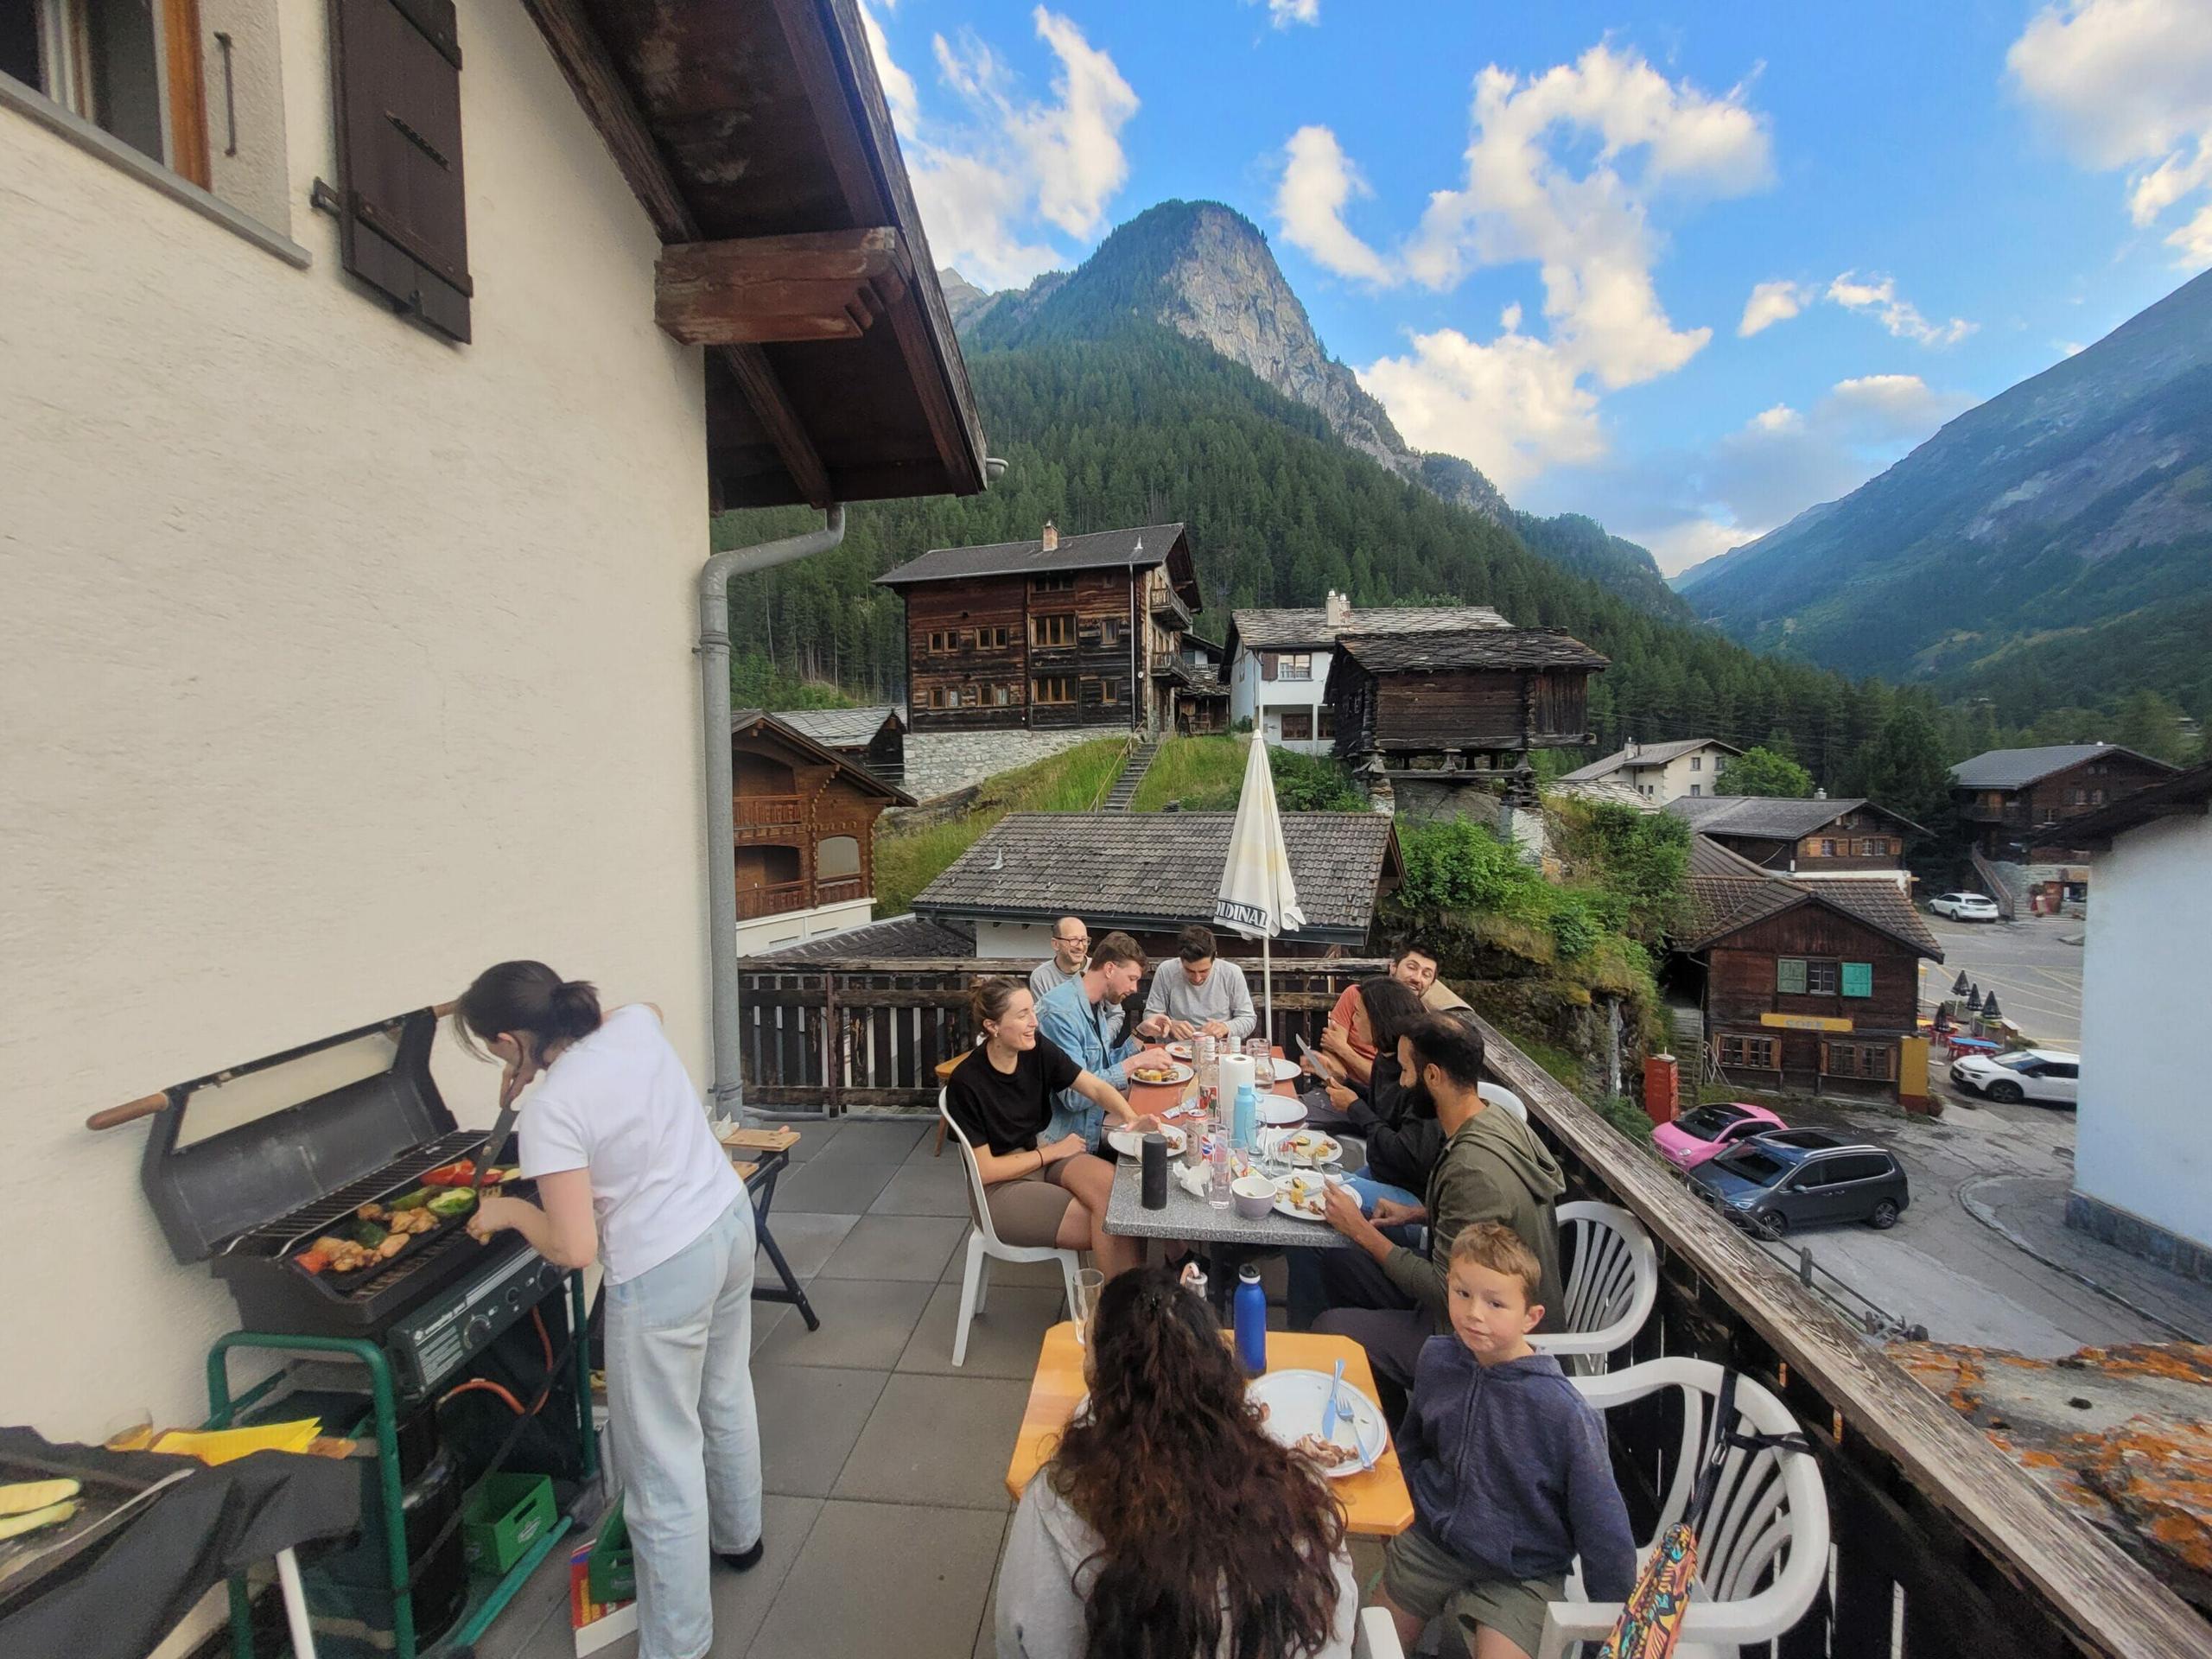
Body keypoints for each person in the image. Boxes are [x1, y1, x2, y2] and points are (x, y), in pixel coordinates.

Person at [454, 963, 761, 1659]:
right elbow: (646, 1001)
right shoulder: (632, 1027)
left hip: (663, 1269)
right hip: (726, 1221)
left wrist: (506, 1210)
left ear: (508, 1040)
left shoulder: (553, 1112)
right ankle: (741, 1539)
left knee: (659, 1464)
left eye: (497, 1052)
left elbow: (572, 1246)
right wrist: (536, 1063)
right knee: (724, 1389)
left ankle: (678, 1644)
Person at [997, 1265, 1358, 1659]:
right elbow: (1338, 1626)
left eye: (1089, 1353)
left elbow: (1020, 1639)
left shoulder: (1058, 1506)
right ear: (1220, 1372)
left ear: (1101, 1381)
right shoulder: (1301, 1500)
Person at [1381, 1224, 1635, 1659]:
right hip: (1434, 1545)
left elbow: (1603, 1525)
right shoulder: (1438, 1358)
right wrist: (1401, 1515)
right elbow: (1414, 1444)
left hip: (1522, 1572)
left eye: (1496, 1303)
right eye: (1462, 1294)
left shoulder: (1563, 1412)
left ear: (1530, 1317)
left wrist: (1610, 1625)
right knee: (1371, 1640)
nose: (1474, 1313)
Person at [1298, 1017, 1567, 1413]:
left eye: (1408, 1071)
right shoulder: (1493, 1117)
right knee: (1333, 1253)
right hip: (1473, 1298)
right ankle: (1382, 1391)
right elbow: (1487, 1218)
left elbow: (1446, 1290)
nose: (1404, 1084)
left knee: (1331, 1329)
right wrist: (1419, 1213)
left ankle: (1391, 1440)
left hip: (1484, 1337)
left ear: (1434, 1076)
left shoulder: (1472, 1169)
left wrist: (1361, 1229)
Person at [945, 977, 1155, 1279]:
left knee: (1124, 1203)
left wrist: (1131, 1118)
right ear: (992, 1026)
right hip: (1000, 1189)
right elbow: (986, 1170)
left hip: (1043, 1155)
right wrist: (1053, 1152)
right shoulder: (968, 1083)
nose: (1034, 1022)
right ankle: (1119, 1314)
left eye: (1033, 1011)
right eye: (1022, 1016)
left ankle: (1129, 1302)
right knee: (1113, 1223)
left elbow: (1094, 1087)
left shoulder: (1036, 1049)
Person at [1035, 931, 1157, 1150]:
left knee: (1157, 1121)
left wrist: (1139, 1034)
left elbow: (1102, 1067)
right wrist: (1135, 1063)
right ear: (1109, 969)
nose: (1134, 989)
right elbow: (1074, 1096)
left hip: (1091, 1124)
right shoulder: (1061, 1012)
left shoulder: (1095, 1002)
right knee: (1151, 1146)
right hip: (1063, 1140)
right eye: (1132, 979)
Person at [1320, 945, 1440, 1084]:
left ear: (1431, 984)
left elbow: (1393, 1085)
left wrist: (1344, 1050)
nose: (1417, 978)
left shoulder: (1421, 1026)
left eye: (1426, 974)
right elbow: (1331, 1044)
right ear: (1393, 967)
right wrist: (1339, 1080)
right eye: (1412, 967)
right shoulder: (1358, 996)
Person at [1138, 924, 1257, 1044]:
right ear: (1180, 959)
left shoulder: (1231, 973)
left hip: (1218, 1049)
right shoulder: (1166, 970)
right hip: (1175, 1049)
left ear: (1214, 957)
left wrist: (1225, 1027)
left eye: (1204, 971)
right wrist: (1169, 1026)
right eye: (1189, 970)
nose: (1197, 978)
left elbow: (1248, 1019)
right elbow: (1150, 1016)